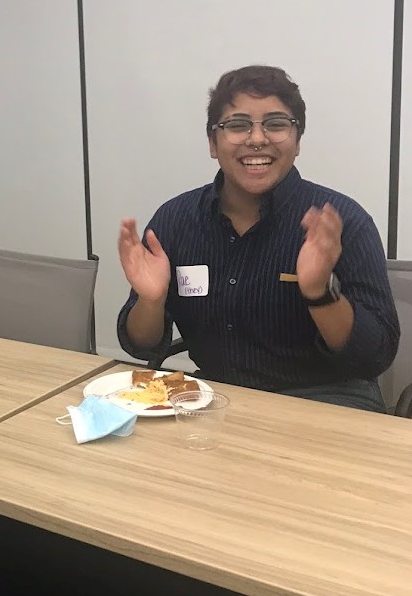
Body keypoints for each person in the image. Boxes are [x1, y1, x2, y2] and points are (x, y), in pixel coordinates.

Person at [116, 65, 399, 412]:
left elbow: (374, 357)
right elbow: (140, 346)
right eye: (237, 125)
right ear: (212, 143)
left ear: (297, 141)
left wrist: (320, 293)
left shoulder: (342, 222)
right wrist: (151, 301)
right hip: (217, 401)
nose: (257, 139)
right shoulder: (175, 220)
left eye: (276, 124)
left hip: (327, 402)